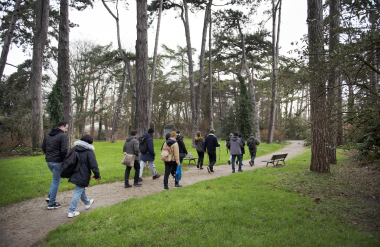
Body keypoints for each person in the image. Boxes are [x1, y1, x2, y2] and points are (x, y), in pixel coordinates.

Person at [67, 135, 100, 218]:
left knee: (81, 188)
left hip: (74, 172)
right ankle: (71, 211)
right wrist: (97, 175)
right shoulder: (89, 151)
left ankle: (87, 202)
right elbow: (94, 165)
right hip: (83, 174)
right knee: (78, 191)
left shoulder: (74, 148)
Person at [41, 121, 68, 210]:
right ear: (62, 127)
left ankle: (49, 196)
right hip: (57, 161)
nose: (66, 130)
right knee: (56, 180)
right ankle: (51, 204)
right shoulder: (62, 136)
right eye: (66, 128)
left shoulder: (48, 134)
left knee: (55, 179)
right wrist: (65, 161)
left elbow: (43, 147)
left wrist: (49, 155)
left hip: (49, 161)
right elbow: (64, 150)